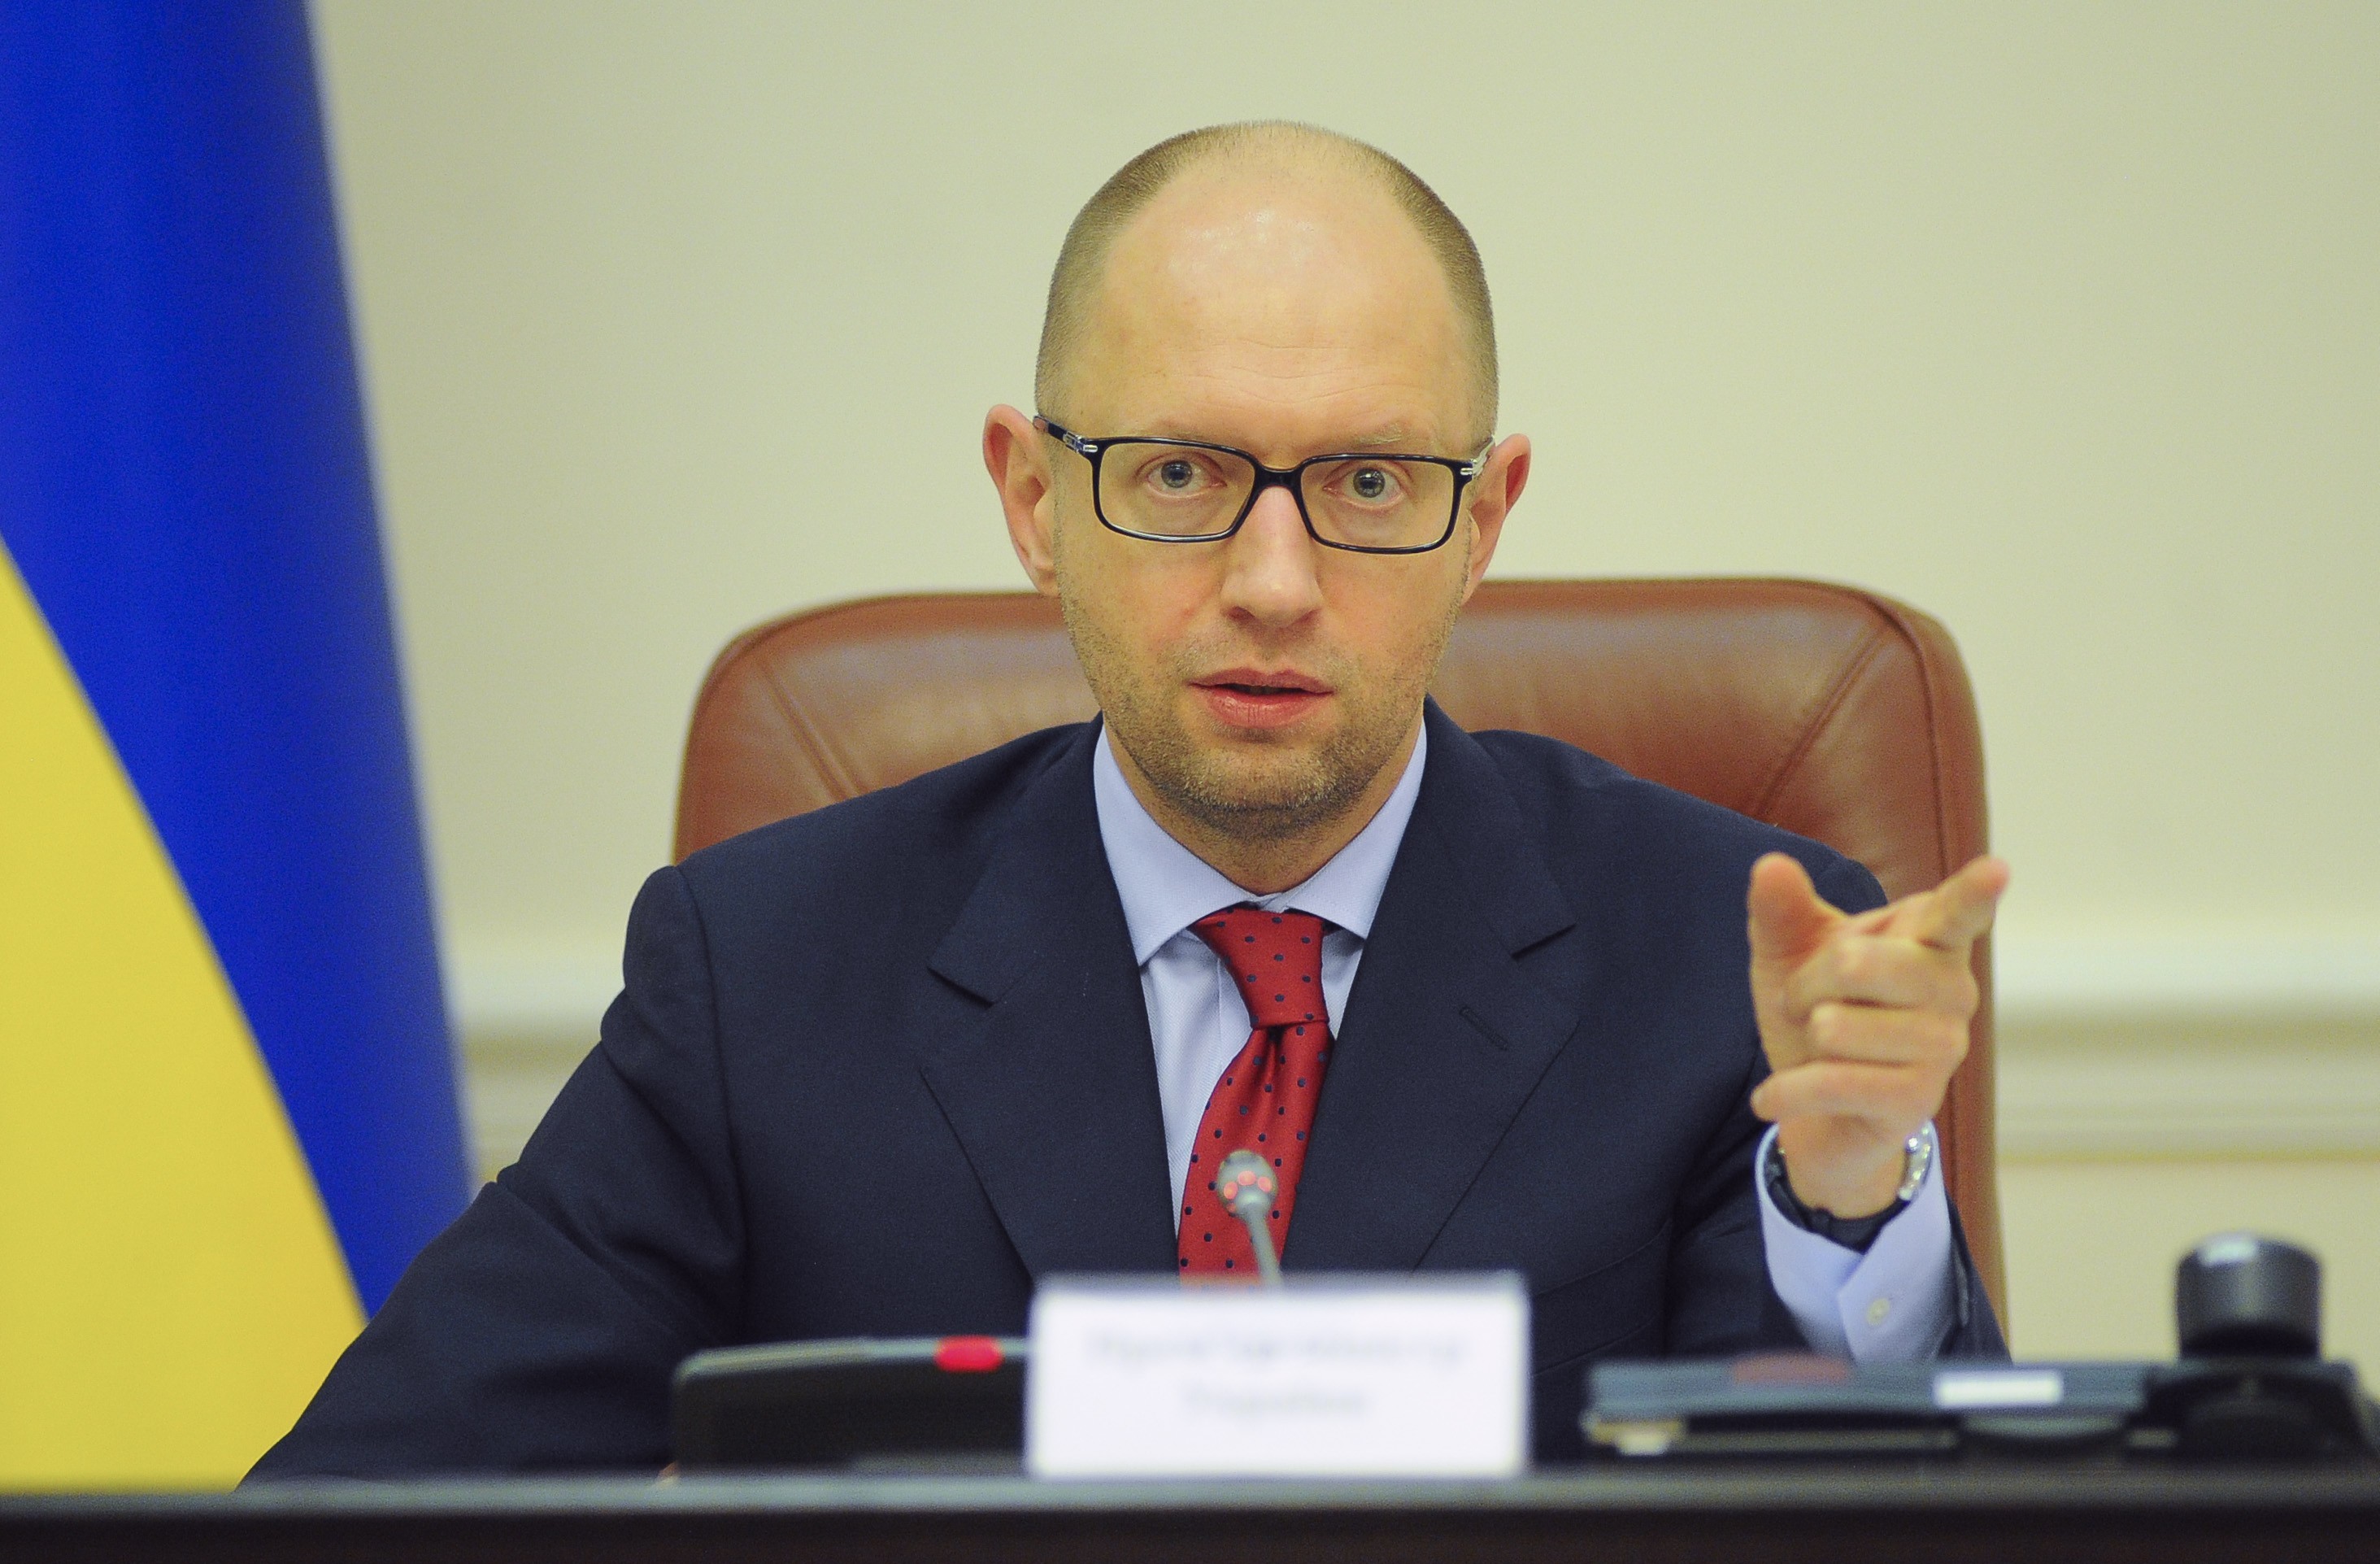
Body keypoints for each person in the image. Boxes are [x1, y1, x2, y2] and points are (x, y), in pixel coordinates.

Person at [253, 122, 2008, 1475]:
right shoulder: (764, 974)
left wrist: (1850, 1195)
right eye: (1177, 473)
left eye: (1370, 483)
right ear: (1033, 500)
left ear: (1482, 522)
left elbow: (1855, 1520)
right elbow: (368, 1503)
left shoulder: (1717, 964)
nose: (1273, 582)